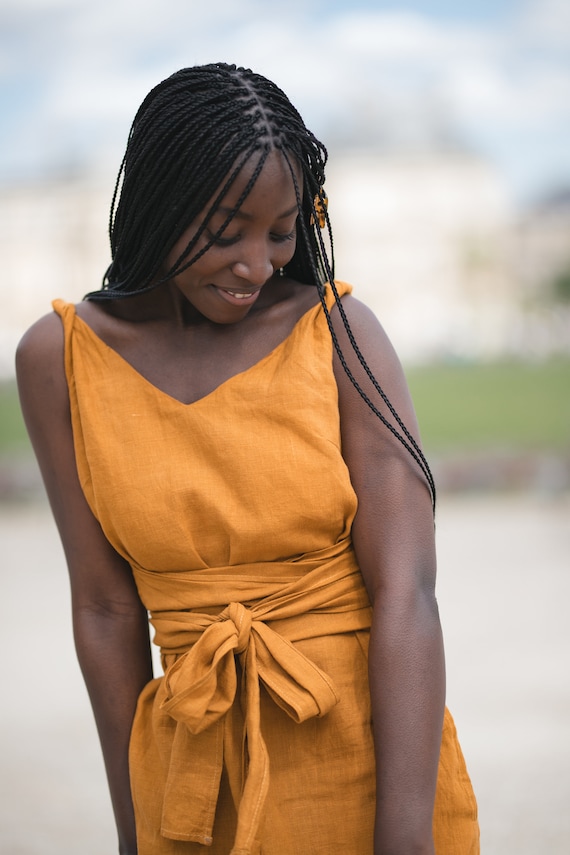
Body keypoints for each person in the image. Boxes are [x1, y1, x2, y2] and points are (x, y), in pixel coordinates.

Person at [16, 63, 479, 855]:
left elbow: (407, 591)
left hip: (363, 765)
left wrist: (405, 837)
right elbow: (105, 609)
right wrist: (137, 826)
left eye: (280, 230)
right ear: (158, 201)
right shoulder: (59, 358)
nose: (257, 264)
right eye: (227, 229)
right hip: (194, 781)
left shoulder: (341, 335)